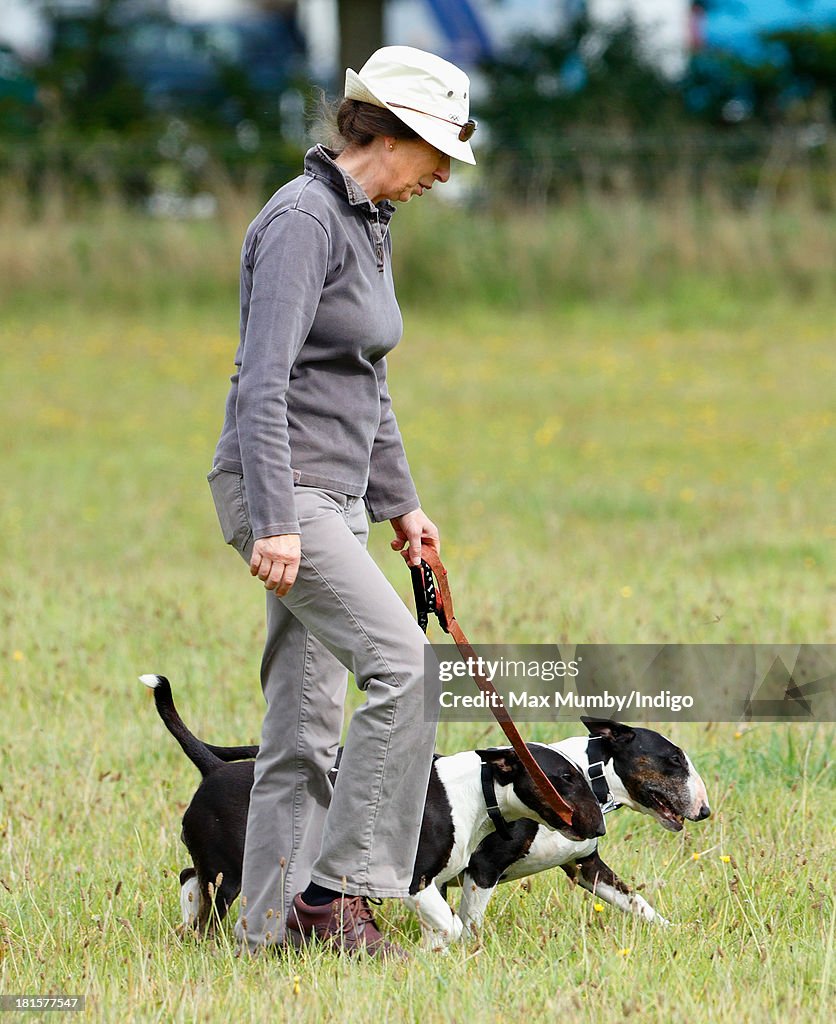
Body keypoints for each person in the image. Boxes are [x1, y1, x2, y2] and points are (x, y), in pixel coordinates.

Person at [207, 45, 477, 959]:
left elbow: (368, 379)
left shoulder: (368, 220)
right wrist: (278, 519)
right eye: (437, 152)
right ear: (391, 134)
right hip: (283, 491)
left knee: (304, 726)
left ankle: (268, 930)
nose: (442, 174)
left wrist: (403, 506)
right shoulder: (302, 220)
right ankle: (342, 897)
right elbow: (262, 384)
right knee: (404, 669)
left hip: (338, 494)